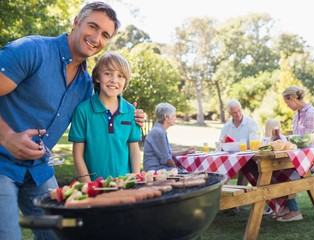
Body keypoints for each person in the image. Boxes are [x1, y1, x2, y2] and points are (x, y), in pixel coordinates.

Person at [0, 2, 145, 239]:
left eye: (105, 35)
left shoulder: (85, 85)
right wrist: (6, 136)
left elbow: (108, 99)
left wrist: (133, 113)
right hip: (1, 163)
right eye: (92, 26)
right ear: (76, 22)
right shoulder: (32, 50)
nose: (96, 37)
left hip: (38, 170)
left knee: (64, 234)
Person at [69, 52, 141, 182]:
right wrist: (88, 186)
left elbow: (134, 150)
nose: (114, 80)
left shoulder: (131, 111)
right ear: (97, 77)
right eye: (108, 73)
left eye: (120, 76)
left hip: (124, 185)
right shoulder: (82, 110)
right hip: (95, 186)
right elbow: (77, 155)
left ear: (125, 82)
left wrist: (136, 180)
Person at [276, 86, 314, 222]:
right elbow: (298, 141)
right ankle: (287, 206)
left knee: (284, 174)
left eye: (287, 102)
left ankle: (294, 211)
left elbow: (308, 143)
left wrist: (287, 140)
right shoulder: (297, 115)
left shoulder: (312, 114)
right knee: (275, 170)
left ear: (292, 98)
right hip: (301, 157)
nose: (287, 106)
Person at [143, 102, 196, 172]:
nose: (175, 118)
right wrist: (176, 169)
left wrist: (184, 152)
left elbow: (167, 154)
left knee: (187, 170)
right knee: (190, 172)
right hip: (155, 170)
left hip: (159, 168)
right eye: (174, 115)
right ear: (166, 117)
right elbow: (166, 159)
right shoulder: (158, 133)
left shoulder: (159, 131)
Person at [219, 99, 259, 185]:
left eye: (239, 111)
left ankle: (241, 190)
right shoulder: (227, 126)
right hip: (231, 160)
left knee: (245, 165)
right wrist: (223, 142)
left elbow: (254, 145)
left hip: (248, 159)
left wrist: (242, 148)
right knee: (219, 169)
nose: (238, 114)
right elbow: (220, 144)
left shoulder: (251, 123)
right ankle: (226, 192)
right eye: (234, 112)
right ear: (230, 113)